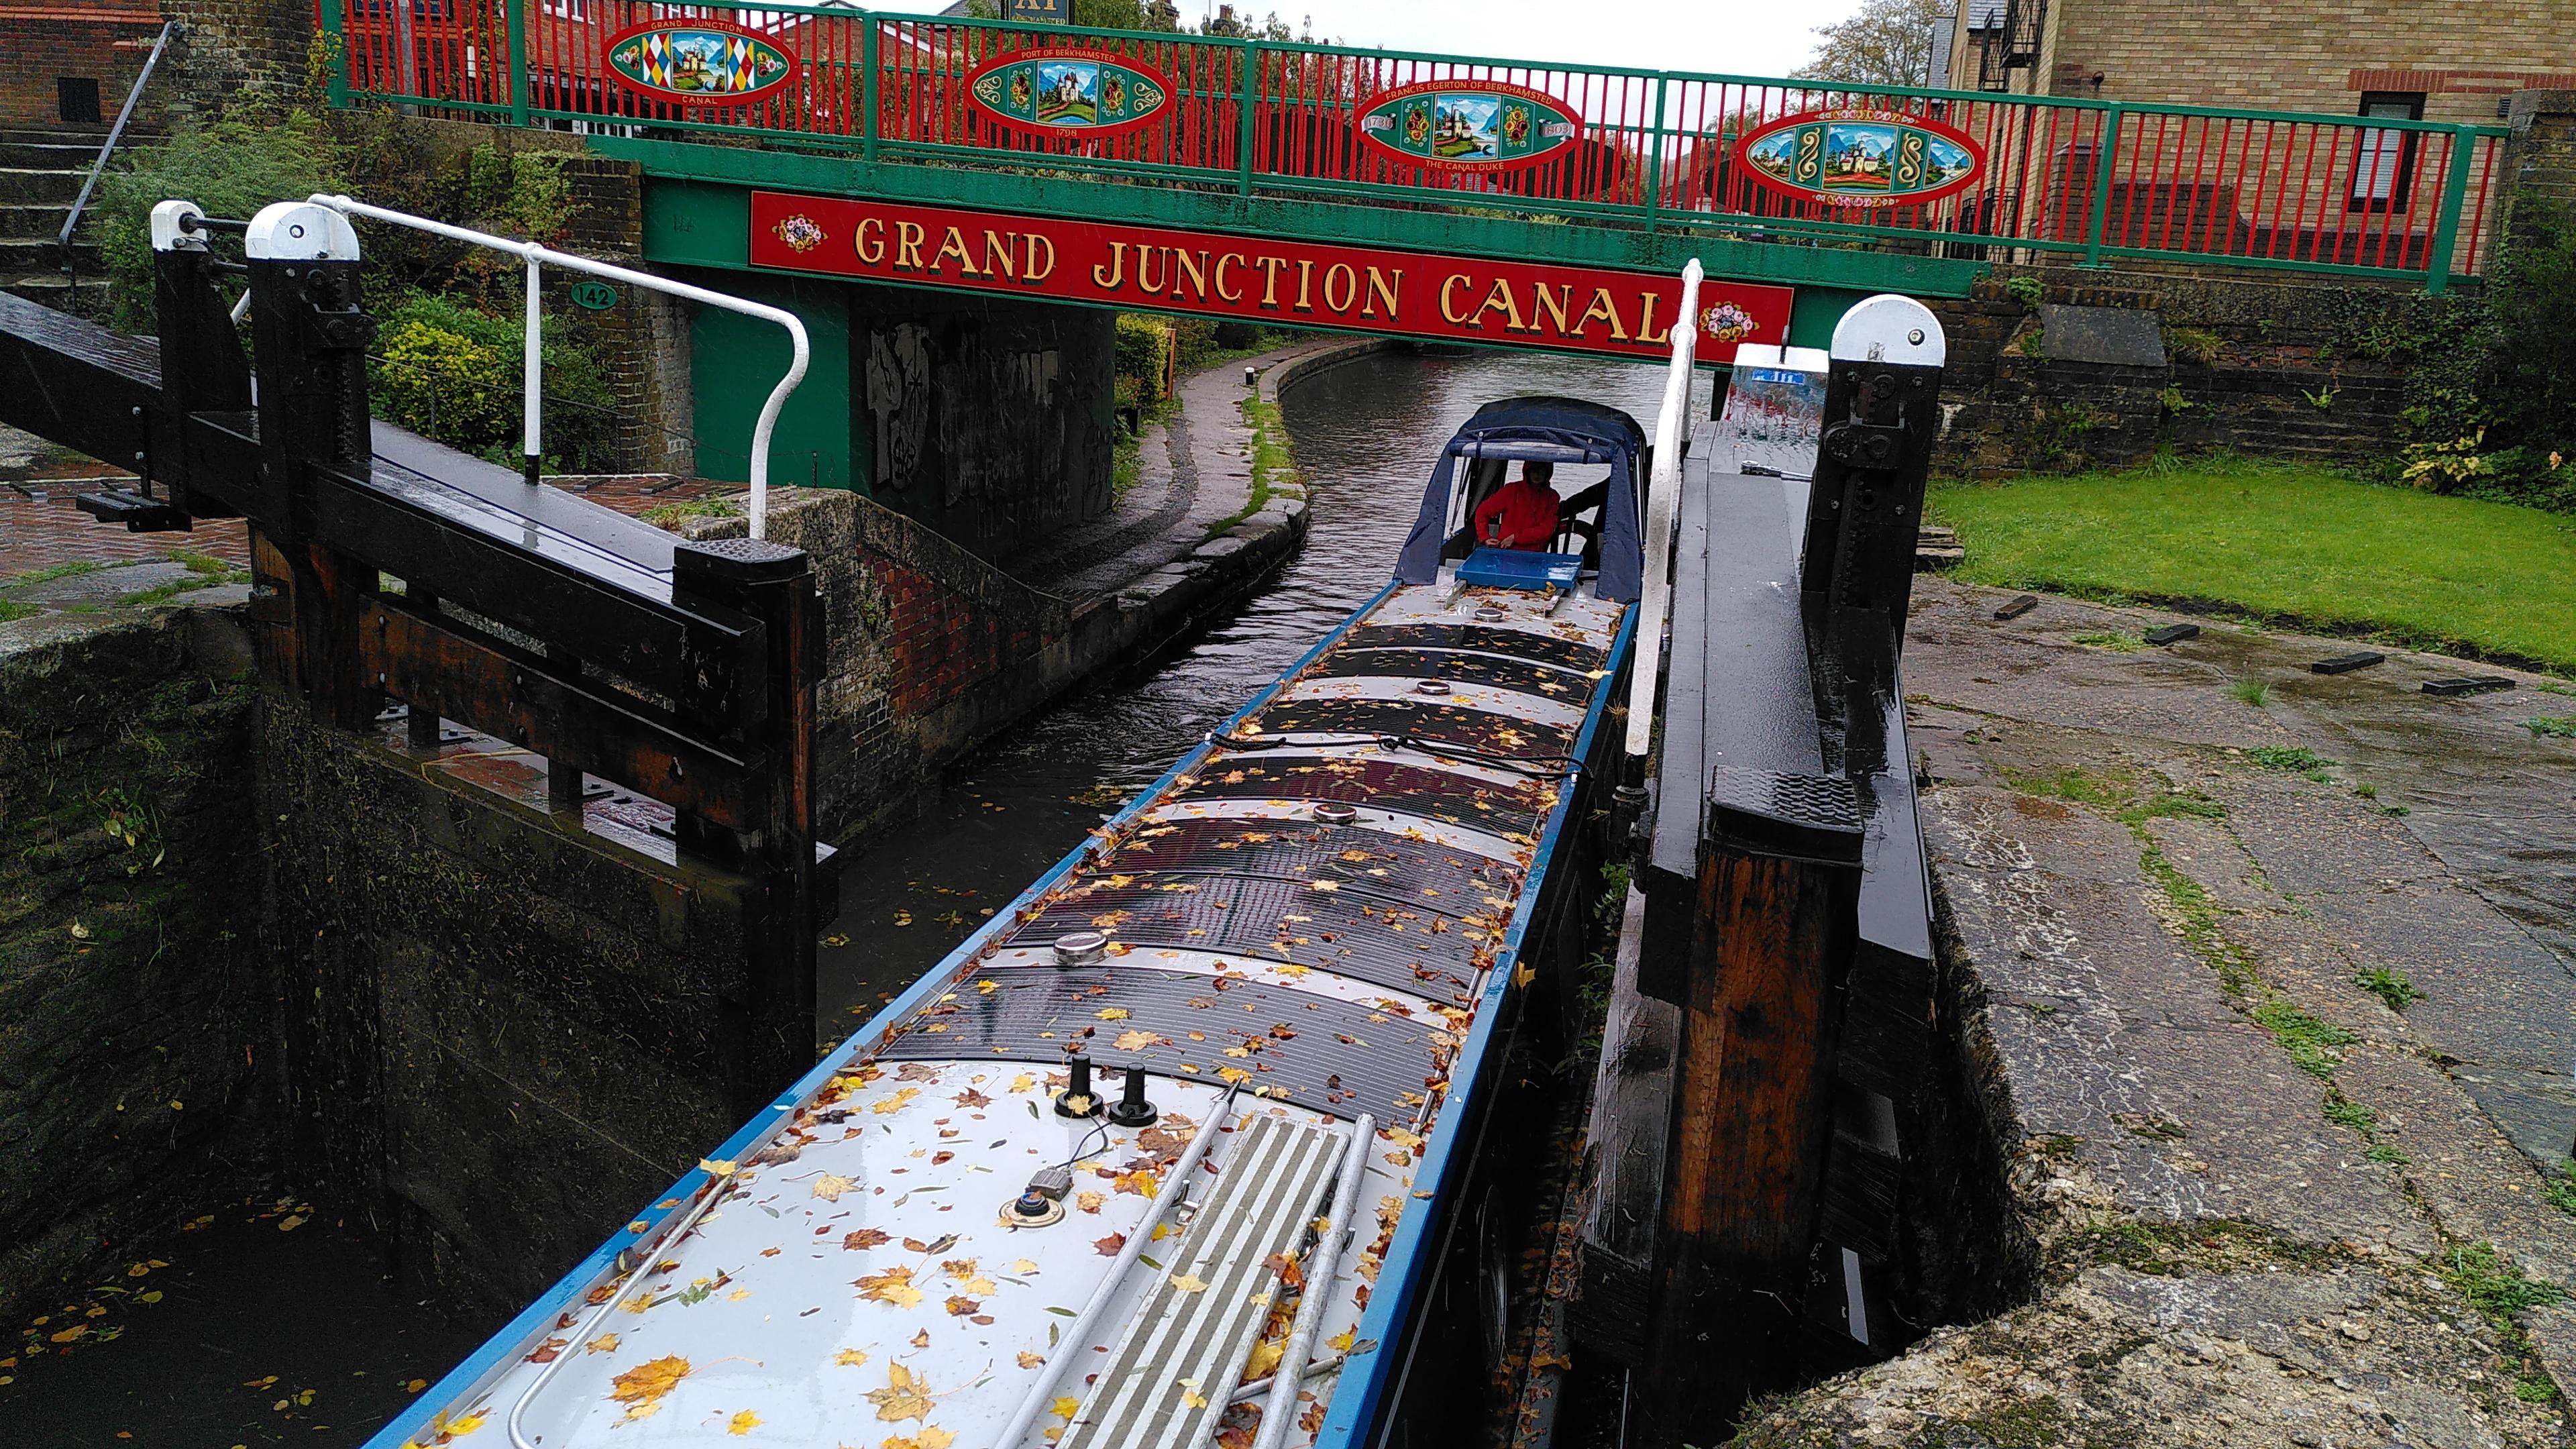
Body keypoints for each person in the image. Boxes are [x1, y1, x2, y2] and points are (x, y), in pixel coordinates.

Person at [1472, 461, 1561, 551]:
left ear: (1548, 472)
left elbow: (1547, 530)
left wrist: (1516, 538)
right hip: (1506, 551)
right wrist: (1485, 537)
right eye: (1534, 469)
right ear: (1527, 470)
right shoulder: (1511, 491)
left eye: (1541, 470)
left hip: (1535, 554)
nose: (1537, 474)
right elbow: (1483, 511)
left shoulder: (1552, 497)